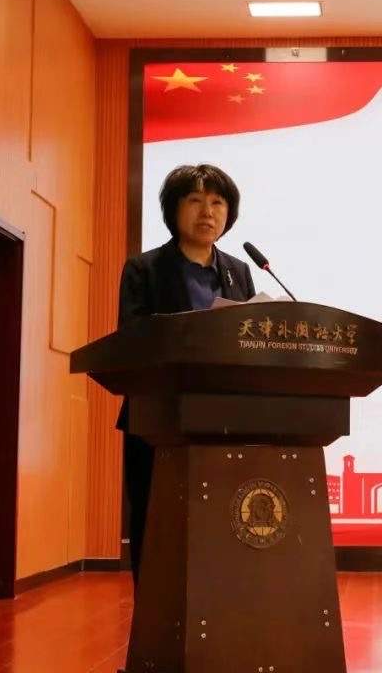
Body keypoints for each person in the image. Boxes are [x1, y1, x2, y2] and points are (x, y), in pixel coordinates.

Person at [115, 163, 256, 583]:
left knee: (224, 519)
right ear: (173, 210)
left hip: (226, 418)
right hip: (158, 417)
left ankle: (222, 606)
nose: (207, 212)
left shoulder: (240, 272)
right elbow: (133, 339)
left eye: (217, 202)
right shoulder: (144, 269)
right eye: (195, 200)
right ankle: (153, 611)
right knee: (157, 520)